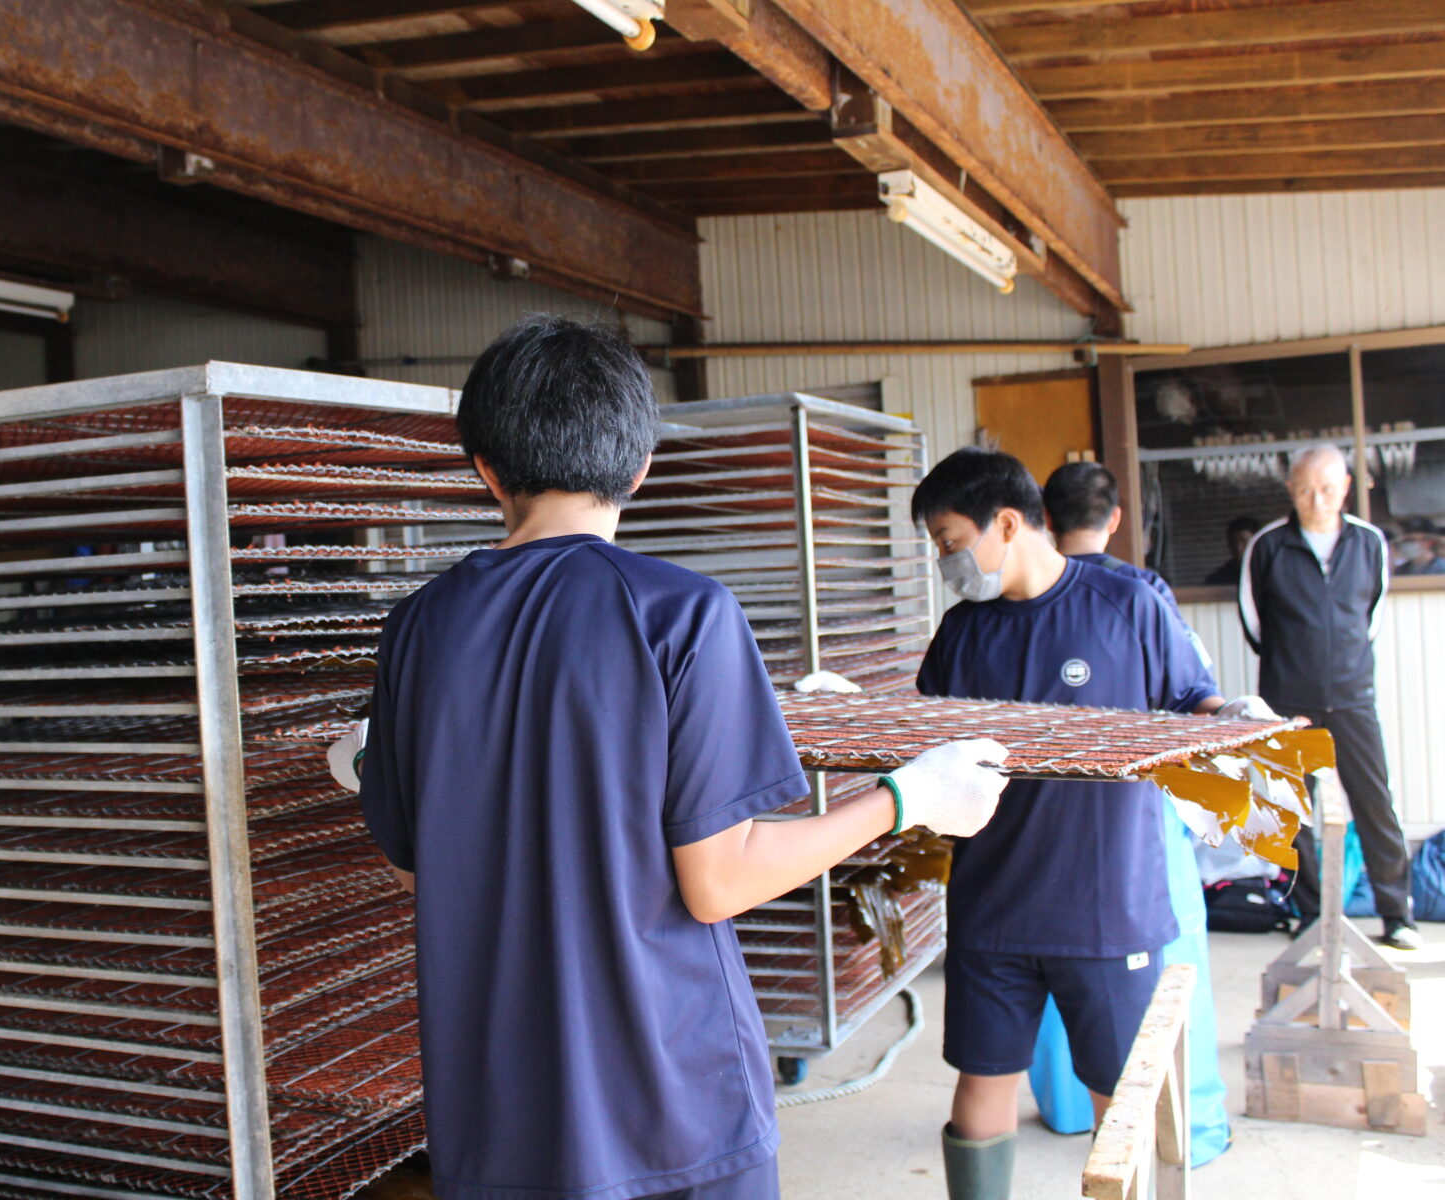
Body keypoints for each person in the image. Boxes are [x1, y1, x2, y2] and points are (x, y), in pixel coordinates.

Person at [343, 315, 1011, 1200]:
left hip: (496, 1116)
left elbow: (416, 866)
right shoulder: (679, 615)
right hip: (671, 1107)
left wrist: (367, 767)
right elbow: (718, 880)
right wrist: (906, 795)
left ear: (486, 470)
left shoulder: (418, 628)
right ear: (639, 469)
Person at [911, 447, 1270, 1200]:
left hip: (1107, 911)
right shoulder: (961, 635)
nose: (948, 564)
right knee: (984, 1080)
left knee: (1122, 1095)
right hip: (991, 909)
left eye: (950, 542)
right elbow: (926, 753)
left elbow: (1192, 699)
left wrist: (1236, 716)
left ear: (1006, 523)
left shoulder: (1128, 605)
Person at [1036, 460, 1230, 1165]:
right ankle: (1173, 1123)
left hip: (1041, 834)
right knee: (1155, 973)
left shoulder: (1014, 606)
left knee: (1051, 963)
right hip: (1132, 826)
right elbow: (1190, 695)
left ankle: (1062, 1103)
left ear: (1041, 519)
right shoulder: (1139, 593)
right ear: (1115, 518)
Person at [1240, 444, 1422, 950]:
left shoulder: (1370, 543)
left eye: (1325, 488)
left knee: (1374, 802)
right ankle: (1312, 913)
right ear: (1290, 491)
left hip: (1352, 694)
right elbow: (1255, 623)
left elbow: (1372, 619)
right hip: (1286, 700)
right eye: (1304, 489)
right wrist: (1293, 667)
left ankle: (1396, 914)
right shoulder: (1268, 546)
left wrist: (1342, 667)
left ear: (1345, 487)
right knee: (1289, 811)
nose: (1315, 498)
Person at [1204, 515, 1262, 586]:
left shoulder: (1269, 571)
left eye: (1244, 541)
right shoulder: (1219, 578)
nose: (1238, 548)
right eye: (1234, 542)